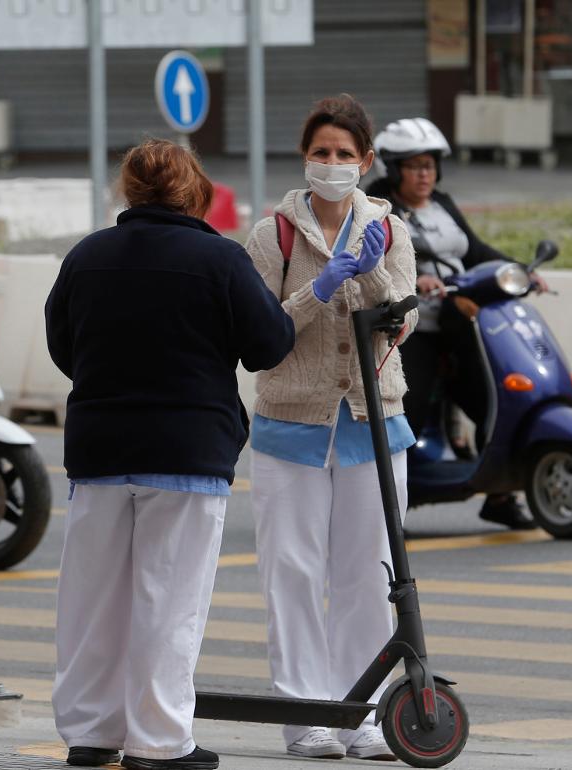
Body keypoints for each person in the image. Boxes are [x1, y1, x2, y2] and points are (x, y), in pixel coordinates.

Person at [46, 139, 294, 770]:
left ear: (128, 190)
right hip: (188, 453)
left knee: (92, 600)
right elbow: (268, 345)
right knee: (169, 601)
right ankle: (159, 741)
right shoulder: (220, 259)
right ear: (192, 189)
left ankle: (91, 732)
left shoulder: (87, 256)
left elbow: (62, 345)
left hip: (100, 451)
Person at [243, 94, 418, 761]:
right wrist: (314, 293)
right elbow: (259, 334)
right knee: (289, 572)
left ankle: (362, 715)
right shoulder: (272, 236)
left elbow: (403, 322)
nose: (333, 164)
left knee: (365, 577)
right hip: (290, 425)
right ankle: (306, 716)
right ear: (305, 158)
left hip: (374, 427)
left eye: (346, 154)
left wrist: (371, 272)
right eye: (322, 152)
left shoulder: (390, 231)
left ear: (367, 161)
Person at [365, 117, 539, 530]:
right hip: (412, 330)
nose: (425, 174)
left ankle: (500, 494)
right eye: (414, 165)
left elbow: (476, 250)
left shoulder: (441, 203)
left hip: (461, 326)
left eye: (430, 165)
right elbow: (373, 259)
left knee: (493, 401)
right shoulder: (376, 208)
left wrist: (519, 271)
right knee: (409, 414)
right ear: (393, 169)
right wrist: (414, 278)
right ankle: (390, 511)